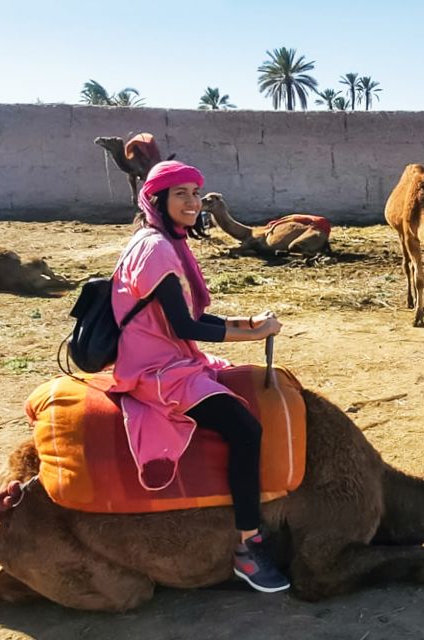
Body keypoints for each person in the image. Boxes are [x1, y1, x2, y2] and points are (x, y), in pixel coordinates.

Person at [110, 160, 290, 593]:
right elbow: (184, 327)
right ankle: (248, 546)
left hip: (173, 356)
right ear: (158, 201)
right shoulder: (155, 250)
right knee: (244, 429)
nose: (192, 202)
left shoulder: (166, 243)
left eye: (195, 193)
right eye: (181, 195)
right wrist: (252, 336)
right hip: (157, 368)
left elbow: (190, 315)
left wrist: (247, 321)